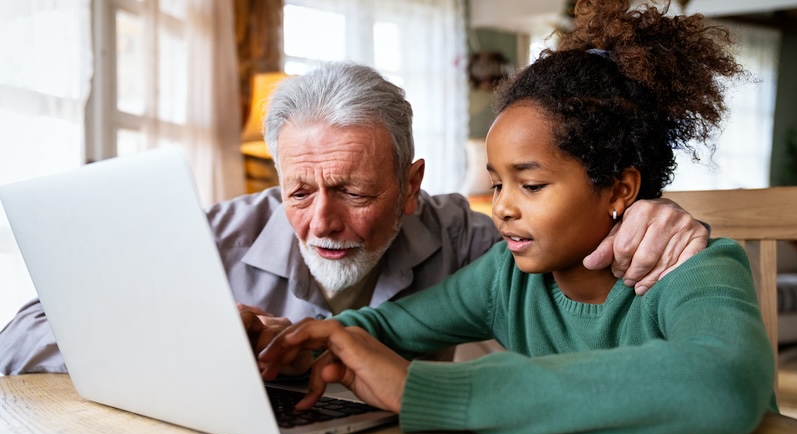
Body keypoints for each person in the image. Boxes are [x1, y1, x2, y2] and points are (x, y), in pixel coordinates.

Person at [257, 1, 776, 434]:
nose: (502, 206)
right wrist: (303, 345)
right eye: (498, 182)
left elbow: (727, 382)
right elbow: (383, 327)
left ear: (620, 189)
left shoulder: (694, 267)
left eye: (530, 185)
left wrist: (432, 391)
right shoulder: (505, 277)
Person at [0, 58, 709, 375]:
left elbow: (578, 268)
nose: (321, 222)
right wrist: (180, 345)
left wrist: (644, 217)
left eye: (355, 193)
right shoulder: (217, 232)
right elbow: (21, 336)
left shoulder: (471, 240)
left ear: (410, 186)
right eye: (299, 192)